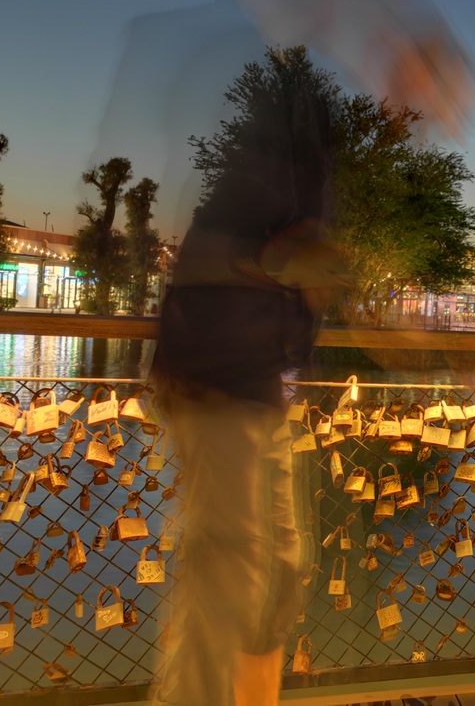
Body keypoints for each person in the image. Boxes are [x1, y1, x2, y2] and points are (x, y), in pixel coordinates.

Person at [150, 51, 348, 706]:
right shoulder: (271, 176)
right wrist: (298, 261)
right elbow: (230, 261)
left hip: (260, 390)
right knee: (230, 572)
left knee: (281, 573)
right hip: (220, 385)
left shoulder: (297, 177)